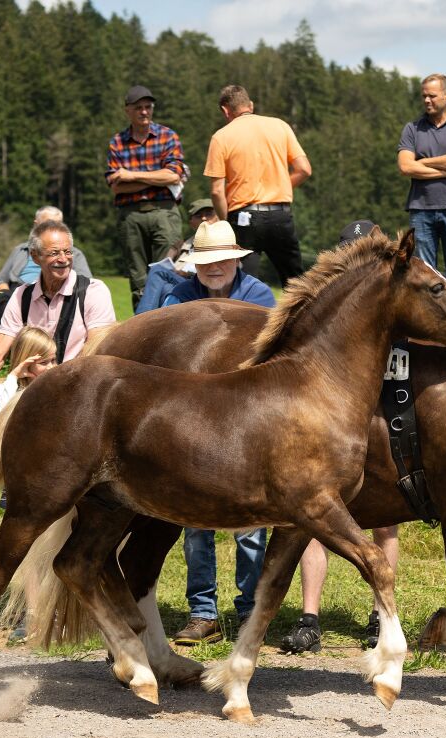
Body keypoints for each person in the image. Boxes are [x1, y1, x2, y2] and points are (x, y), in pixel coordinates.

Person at [279, 220, 400, 655]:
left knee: (385, 522)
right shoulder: (329, 306)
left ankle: (379, 615)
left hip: (383, 424)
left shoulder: (393, 299)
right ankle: (309, 617)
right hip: (331, 423)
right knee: (314, 518)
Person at [163, 220, 275, 644]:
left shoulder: (259, 298)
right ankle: (203, 612)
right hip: (194, 426)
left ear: (235, 260)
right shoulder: (178, 297)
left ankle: (248, 610)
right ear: (196, 265)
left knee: (251, 525)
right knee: (196, 524)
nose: (214, 269)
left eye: (222, 260)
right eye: (207, 262)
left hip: (246, 426)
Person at [0, 220, 116, 437]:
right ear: (34, 256)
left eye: (68, 252)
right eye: (54, 253)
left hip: (79, 400)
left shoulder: (94, 291)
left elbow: (96, 352)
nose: (63, 259)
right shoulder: (22, 296)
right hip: (29, 402)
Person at [205, 84, 312, 286]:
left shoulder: (221, 137)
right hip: (280, 215)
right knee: (298, 285)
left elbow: (217, 190)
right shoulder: (280, 126)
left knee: (243, 285)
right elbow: (304, 169)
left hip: (244, 219)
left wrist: (224, 220)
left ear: (225, 110)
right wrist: (281, 186)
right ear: (250, 105)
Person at [0, 326, 58, 643]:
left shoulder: (58, 393)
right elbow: (2, 411)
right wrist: (13, 376)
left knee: (54, 551)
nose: (52, 368)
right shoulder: (15, 395)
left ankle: (53, 612)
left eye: (54, 360)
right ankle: (31, 614)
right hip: (24, 489)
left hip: (55, 486)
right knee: (29, 555)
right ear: (26, 364)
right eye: (44, 362)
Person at [106, 85, 186, 309]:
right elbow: (117, 187)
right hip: (131, 215)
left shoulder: (168, 136)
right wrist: (156, 177)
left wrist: (131, 175)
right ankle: (140, 330)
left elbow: (173, 176)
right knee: (138, 278)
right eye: (138, 108)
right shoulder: (117, 142)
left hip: (164, 212)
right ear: (127, 111)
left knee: (168, 271)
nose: (144, 112)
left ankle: (167, 323)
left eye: (148, 107)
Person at [397, 73, 446, 277]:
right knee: (424, 275)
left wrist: (423, 162)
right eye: (424, 96)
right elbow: (406, 167)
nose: (426, 100)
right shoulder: (412, 129)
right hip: (421, 210)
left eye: (432, 96)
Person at [0, 206, 91, 324]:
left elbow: (86, 284)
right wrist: (4, 289)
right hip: (17, 295)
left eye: (58, 225)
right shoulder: (20, 250)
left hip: (54, 295)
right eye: (48, 224)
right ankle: (17, 334)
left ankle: (27, 336)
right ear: (36, 224)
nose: (53, 229)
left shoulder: (74, 254)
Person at [133, 198, 215, 315]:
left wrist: (187, 274)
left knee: (157, 272)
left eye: (209, 214)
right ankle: (156, 329)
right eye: (198, 215)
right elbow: (166, 266)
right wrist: (172, 252)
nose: (204, 218)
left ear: (218, 217)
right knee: (166, 289)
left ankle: (139, 321)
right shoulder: (184, 245)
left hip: (202, 286)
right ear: (191, 222)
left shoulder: (223, 241)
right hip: (183, 286)